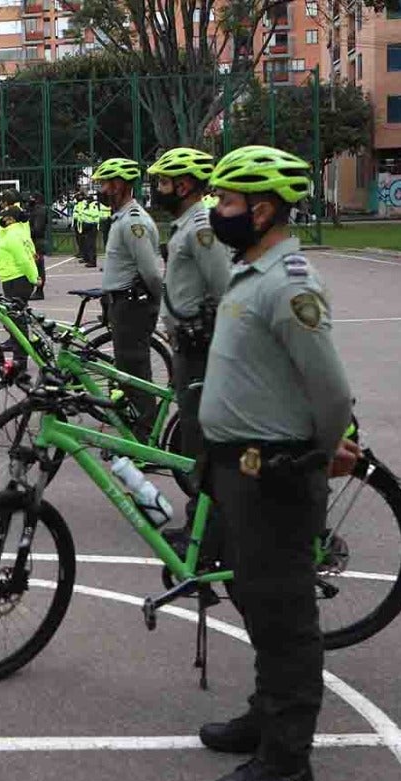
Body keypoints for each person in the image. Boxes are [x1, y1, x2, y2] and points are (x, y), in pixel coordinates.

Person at [197, 145, 355, 781]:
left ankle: (288, 760)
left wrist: (318, 455)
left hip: (275, 474)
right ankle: (266, 713)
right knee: (254, 596)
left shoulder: (289, 284)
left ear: (262, 209)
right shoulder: (252, 272)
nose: (218, 213)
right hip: (239, 468)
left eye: (228, 203)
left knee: (285, 613)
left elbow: (332, 391)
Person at [146, 147, 232, 533]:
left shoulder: (201, 229)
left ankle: (208, 525)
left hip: (200, 348)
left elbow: (225, 286)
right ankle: (206, 516)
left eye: (164, 182)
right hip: (186, 344)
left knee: (200, 436)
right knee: (194, 432)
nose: (158, 189)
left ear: (183, 186)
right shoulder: (186, 225)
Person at [93, 157, 162, 440]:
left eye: (105, 184)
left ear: (120, 185)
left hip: (133, 304)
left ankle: (145, 435)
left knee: (134, 371)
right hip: (121, 302)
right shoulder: (121, 219)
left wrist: (156, 303)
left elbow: (150, 272)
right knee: (125, 369)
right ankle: (133, 427)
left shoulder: (134, 223)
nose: (101, 190)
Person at [0, 204, 39, 368]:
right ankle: (20, 352)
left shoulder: (13, 235)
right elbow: (32, 253)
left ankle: (21, 358)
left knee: (16, 321)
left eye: (4, 217)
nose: (2, 219)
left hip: (17, 280)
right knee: (16, 318)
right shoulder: (19, 231)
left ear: (11, 219)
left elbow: (23, 259)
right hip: (13, 278)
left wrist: (34, 278)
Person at [27, 192, 48, 299]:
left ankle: (39, 291)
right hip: (35, 242)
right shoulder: (35, 210)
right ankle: (34, 289)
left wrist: (27, 231)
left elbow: (38, 229)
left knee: (39, 267)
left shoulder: (39, 211)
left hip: (37, 243)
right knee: (34, 266)